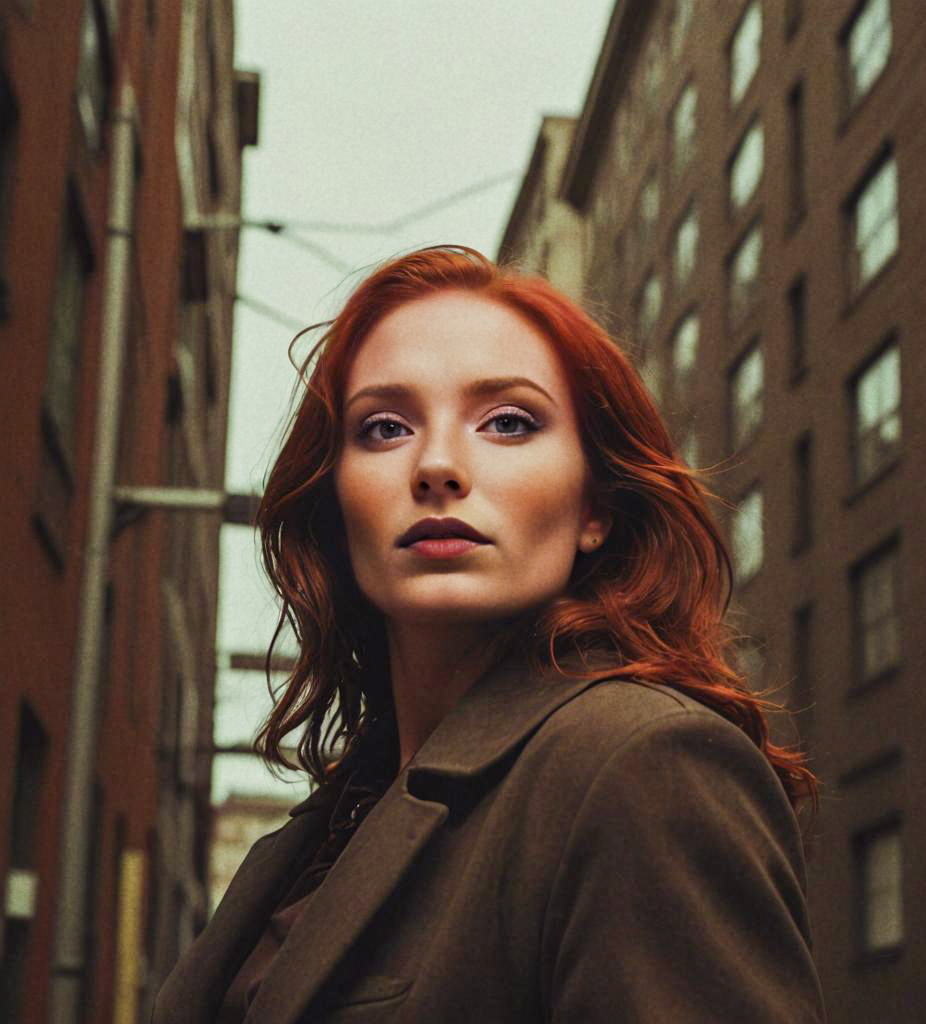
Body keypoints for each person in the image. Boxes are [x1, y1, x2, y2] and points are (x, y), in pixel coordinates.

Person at [155, 245, 825, 1023]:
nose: (438, 466)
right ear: (335, 503)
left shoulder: (638, 765)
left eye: (509, 422)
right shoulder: (326, 830)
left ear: (596, 508)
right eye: (385, 427)